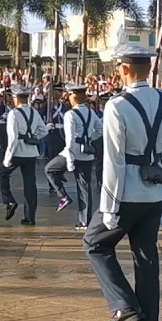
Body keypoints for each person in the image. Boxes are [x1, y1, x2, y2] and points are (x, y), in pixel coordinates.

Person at [85, 43, 162, 321]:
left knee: (94, 243)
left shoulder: (117, 105)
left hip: (126, 194)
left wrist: (109, 207)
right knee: (147, 260)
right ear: (147, 69)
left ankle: (124, 304)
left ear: (124, 69)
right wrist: (160, 159)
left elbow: (114, 161)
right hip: (155, 192)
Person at [44, 82, 102, 230]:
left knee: (49, 169)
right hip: (86, 154)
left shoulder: (70, 114)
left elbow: (69, 139)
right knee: (84, 188)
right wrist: (89, 138)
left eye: (70, 95)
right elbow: (100, 130)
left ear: (74, 97)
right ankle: (85, 221)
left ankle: (63, 196)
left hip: (73, 153)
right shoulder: (91, 112)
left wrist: (69, 160)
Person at [0, 85, 48, 225]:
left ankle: (9, 201)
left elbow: (13, 138)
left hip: (17, 152)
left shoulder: (13, 114)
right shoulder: (34, 112)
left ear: (16, 98)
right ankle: (30, 217)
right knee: (30, 185)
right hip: (31, 153)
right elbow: (44, 131)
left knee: (1, 173)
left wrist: (7, 158)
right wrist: (33, 137)